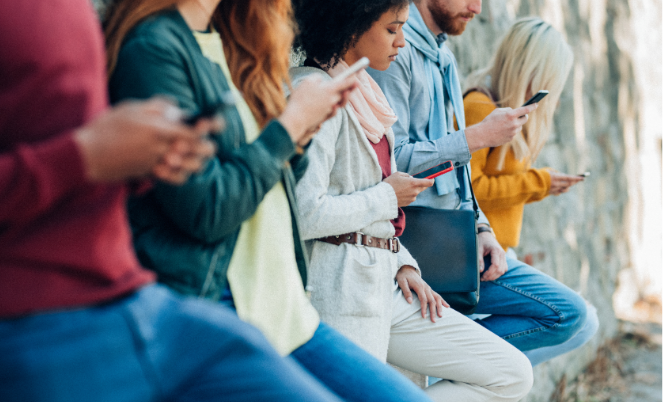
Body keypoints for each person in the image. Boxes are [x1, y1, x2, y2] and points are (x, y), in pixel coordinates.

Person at [0, 1, 356, 401]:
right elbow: (84, 160)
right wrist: (83, 158)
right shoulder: (153, 43)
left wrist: (142, 161)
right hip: (19, 320)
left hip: (138, 300)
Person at [105, 0, 436, 401]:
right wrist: (291, 126)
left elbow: (274, 190)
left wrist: (299, 134)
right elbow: (209, 211)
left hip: (287, 308)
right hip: (231, 310)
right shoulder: (155, 47)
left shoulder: (228, 44)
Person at [291, 0, 533, 400]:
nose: (402, 41)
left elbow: (370, 204)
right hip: (341, 290)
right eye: (391, 29)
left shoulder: (365, 96)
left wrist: (402, 261)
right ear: (350, 26)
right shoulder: (314, 95)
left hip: (386, 280)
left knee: (511, 373)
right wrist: (387, 197)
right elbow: (304, 212)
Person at [368, 0, 590, 366]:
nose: (477, 7)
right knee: (567, 314)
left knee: (575, 315)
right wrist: (477, 137)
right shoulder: (397, 52)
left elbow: (459, 175)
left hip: (460, 240)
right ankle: (455, 364)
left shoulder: (445, 59)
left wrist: (482, 226)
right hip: (421, 245)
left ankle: (457, 364)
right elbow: (390, 162)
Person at [463, 17, 599, 366]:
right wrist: (539, 183)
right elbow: (472, 187)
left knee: (585, 321)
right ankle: (451, 363)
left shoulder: (509, 112)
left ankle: (470, 367)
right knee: (572, 316)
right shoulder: (480, 106)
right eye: (547, 78)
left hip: (495, 253)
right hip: (471, 255)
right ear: (528, 68)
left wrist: (543, 182)